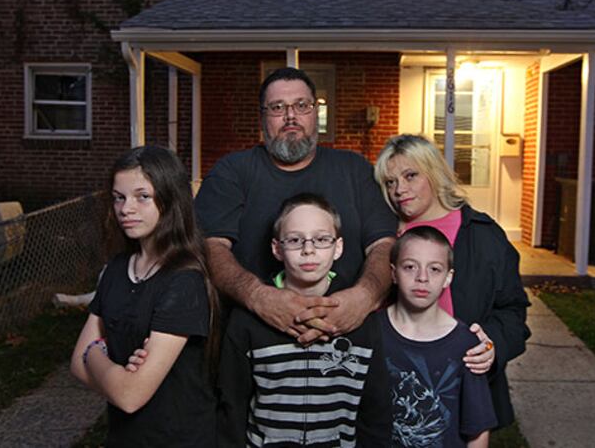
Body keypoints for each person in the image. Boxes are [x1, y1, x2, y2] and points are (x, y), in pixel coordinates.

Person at [195, 67, 397, 345]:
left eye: (302, 105)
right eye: (278, 107)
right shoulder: (232, 172)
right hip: (254, 342)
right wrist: (259, 297)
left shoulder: (355, 169)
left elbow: (384, 245)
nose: (291, 116)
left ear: (315, 112)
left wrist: (364, 297)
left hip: (349, 341)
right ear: (263, 117)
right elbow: (209, 247)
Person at [374, 133, 530, 429]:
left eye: (410, 176)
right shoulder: (382, 234)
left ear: (434, 173)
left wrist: (492, 346)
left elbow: (513, 311)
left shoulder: (481, 235)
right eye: (390, 182)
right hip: (391, 380)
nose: (399, 190)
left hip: (456, 383)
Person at [70, 145, 218, 447]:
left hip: (177, 439)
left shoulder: (184, 281)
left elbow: (129, 396)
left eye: (142, 196)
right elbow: (75, 366)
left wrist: (94, 352)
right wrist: (116, 372)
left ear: (170, 199)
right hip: (124, 438)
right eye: (118, 197)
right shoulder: (116, 269)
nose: (126, 209)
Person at [217, 193, 391, 447]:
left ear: (338, 247)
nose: (308, 249)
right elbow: (231, 405)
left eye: (321, 239)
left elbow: (376, 409)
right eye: (295, 240)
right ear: (277, 249)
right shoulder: (247, 319)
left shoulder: (361, 318)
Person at [382, 226, 497, 447]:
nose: (422, 277)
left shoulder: (467, 345)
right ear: (394, 273)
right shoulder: (371, 333)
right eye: (409, 267)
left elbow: (478, 431)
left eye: (434, 269)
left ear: (448, 278)